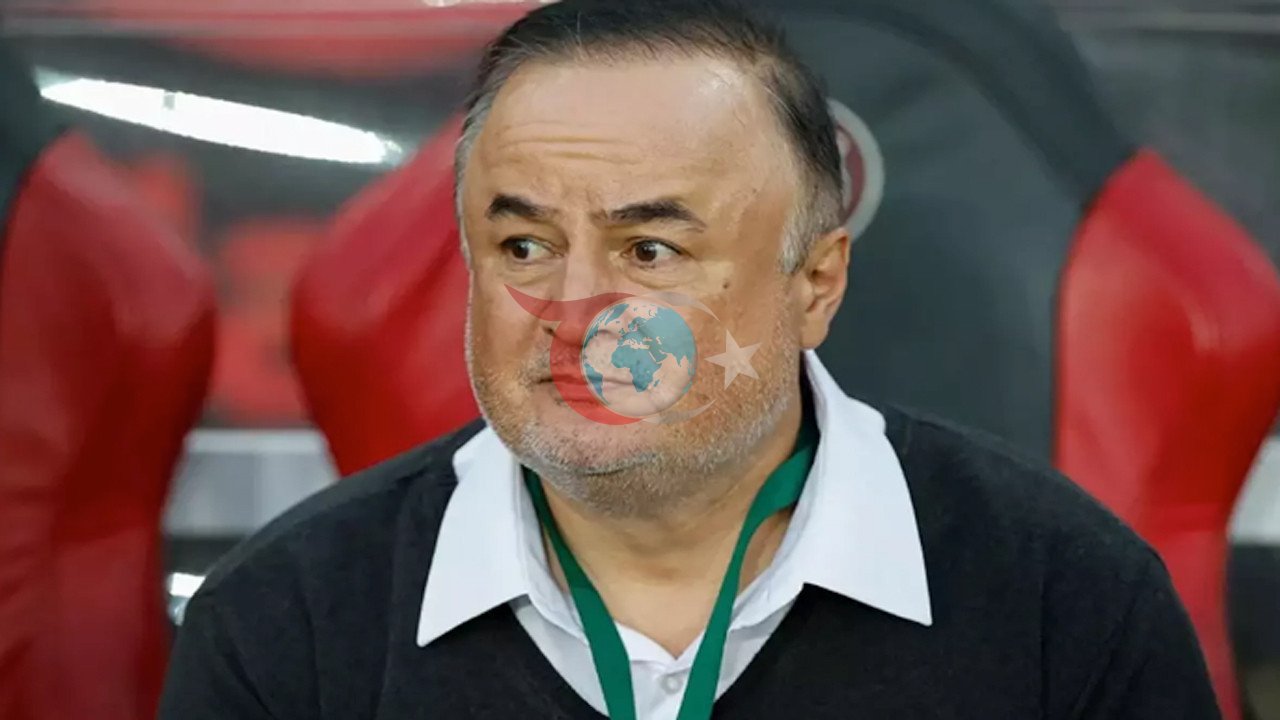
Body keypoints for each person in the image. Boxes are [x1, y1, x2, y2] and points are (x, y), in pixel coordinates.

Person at [160, 1, 1222, 718]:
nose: (574, 311)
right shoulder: (285, 621)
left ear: (814, 284)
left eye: (650, 251)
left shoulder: (1065, 597)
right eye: (523, 246)